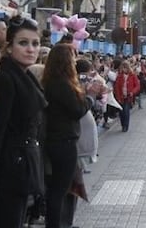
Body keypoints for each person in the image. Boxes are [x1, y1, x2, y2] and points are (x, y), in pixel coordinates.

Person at [0, 16, 45, 228]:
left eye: (35, 44)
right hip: (6, 177)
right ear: (9, 47)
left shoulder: (27, 77)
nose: (30, 49)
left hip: (22, 172)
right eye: (23, 43)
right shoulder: (5, 79)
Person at [42, 44, 101, 228]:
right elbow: (77, 110)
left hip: (57, 140)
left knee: (60, 187)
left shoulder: (51, 82)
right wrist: (90, 96)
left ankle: (61, 222)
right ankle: (56, 223)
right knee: (60, 189)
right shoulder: (61, 84)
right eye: (72, 58)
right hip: (63, 141)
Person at [113, 61, 141, 132]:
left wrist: (132, 92)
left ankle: (125, 126)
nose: (124, 70)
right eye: (123, 68)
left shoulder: (133, 75)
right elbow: (116, 88)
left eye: (125, 68)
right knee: (121, 112)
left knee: (126, 111)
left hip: (128, 96)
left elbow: (137, 86)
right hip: (121, 96)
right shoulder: (119, 76)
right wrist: (118, 97)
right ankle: (123, 124)